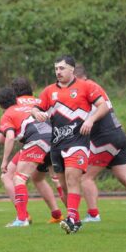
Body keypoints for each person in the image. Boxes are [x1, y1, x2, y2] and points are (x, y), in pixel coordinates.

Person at [31, 55, 109, 234]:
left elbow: (103, 105)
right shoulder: (49, 91)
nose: (58, 72)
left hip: (78, 141)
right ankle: (75, 219)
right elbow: (35, 108)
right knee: (64, 185)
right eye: (56, 68)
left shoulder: (86, 86)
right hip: (57, 144)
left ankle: (72, 218)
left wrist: (91, 120)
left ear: (72, 69)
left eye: (62, 68)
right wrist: (36, 113)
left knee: (73, 178)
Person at [0, 86, 62, 227]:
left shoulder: (8, 113)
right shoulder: (36, 102)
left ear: (0, 105)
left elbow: (7, 137)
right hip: (55, 138)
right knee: (53, 178)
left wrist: (4, 161)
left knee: (18, 178)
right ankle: (68, 216)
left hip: (37, 141)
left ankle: (22, 218)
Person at [74, 64, 126, 222]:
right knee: (124, 177)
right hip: (117, 134)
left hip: (105, 138)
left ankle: (93, 215)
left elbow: (91, 113)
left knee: (85, 177)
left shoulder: (86, 88)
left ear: (77, 77)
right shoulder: (95, 87)